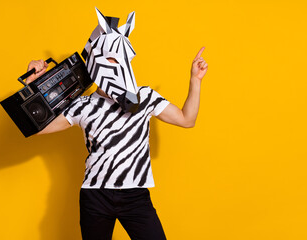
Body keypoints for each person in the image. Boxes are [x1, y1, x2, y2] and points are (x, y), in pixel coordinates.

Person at [25, 9, 208, 240]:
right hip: (95, 195)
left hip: (135, 196)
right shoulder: (83, 105)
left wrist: (195, 80)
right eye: (112, 58)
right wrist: (34, 83)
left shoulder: (145, 97)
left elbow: (187, 119)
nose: (118, 64)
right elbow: (38, 128)